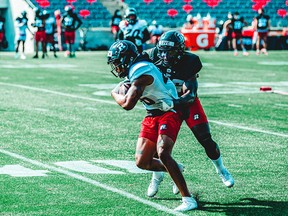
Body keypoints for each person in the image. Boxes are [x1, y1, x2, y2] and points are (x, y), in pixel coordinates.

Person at [108, 40, 198, 212]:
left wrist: (114, 93)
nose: (117, 67)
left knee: (163, 153)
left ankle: (188, 199)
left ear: (127, 59)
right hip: (152, 113)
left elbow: (127, 104)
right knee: (142, 161)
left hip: (169, 111)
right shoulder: (137, 70)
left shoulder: (141, 70)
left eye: (118, 62)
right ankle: (175, 169)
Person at [145, 30, 234, 196]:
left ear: (179, 50)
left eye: (169, 51)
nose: (164, 55)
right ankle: (156, 177)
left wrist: (172, 103)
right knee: (160, 147)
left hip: (185, 104)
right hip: (164, 106)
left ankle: (221, 169)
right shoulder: (152, 55)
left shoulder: (189, 61)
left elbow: (190, 94)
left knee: (206, 139)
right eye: (162, 51)